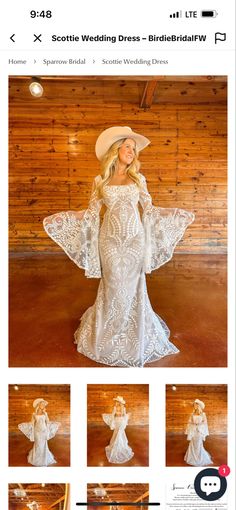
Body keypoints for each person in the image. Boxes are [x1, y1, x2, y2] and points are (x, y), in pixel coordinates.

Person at [44, 126, 194, 367]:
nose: (131, 152)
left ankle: (134, 332)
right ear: (116, 150)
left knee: (133, 286)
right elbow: (92, 213)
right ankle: (110, 332)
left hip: (135, 239)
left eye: (133, 149)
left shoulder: (138, 179)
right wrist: (68, 217)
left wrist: (175, 214)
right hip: (110, 241)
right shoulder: (100, 180)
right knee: (113, 283)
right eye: (127, 147)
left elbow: (150, 209)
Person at [18, 398, 60, 467]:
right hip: (37, 432)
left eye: (44, 404)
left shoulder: (45, 413)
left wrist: (55, 424)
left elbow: (48, 422)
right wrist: (24, 425)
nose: (43, 405)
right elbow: (32, 423)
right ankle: (36, 458)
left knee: (43, 445)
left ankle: (44, 458)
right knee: (38, 445)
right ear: (38, 405)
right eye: (42, 404)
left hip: (44, 431)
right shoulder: (34, 414)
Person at [102, 395, 134, 464]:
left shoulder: (118, 408)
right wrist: (126, 417)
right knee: (119, 433)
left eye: (117, 401)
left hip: (119, 421)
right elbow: (121, 416)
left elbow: (116, 415)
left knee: (118, 433)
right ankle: (118, 444)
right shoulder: (119, 408)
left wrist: (112, 420)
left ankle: (118, 445)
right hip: (119, 421)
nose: (116, 402)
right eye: (116, 401)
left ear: (118, 402)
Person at [184, 399, 213, 466]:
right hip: (193, 431)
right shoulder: (192, 414)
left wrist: (199, 425)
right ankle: (192, 456)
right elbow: (189, 422)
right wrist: (193, 424)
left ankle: (200, 457)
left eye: (196, 404)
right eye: (194, 405)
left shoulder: (203, 414)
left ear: (199, 405)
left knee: (199, 444)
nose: (194, 406)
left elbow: (205, 422)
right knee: (193, 443)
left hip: (199, 431)